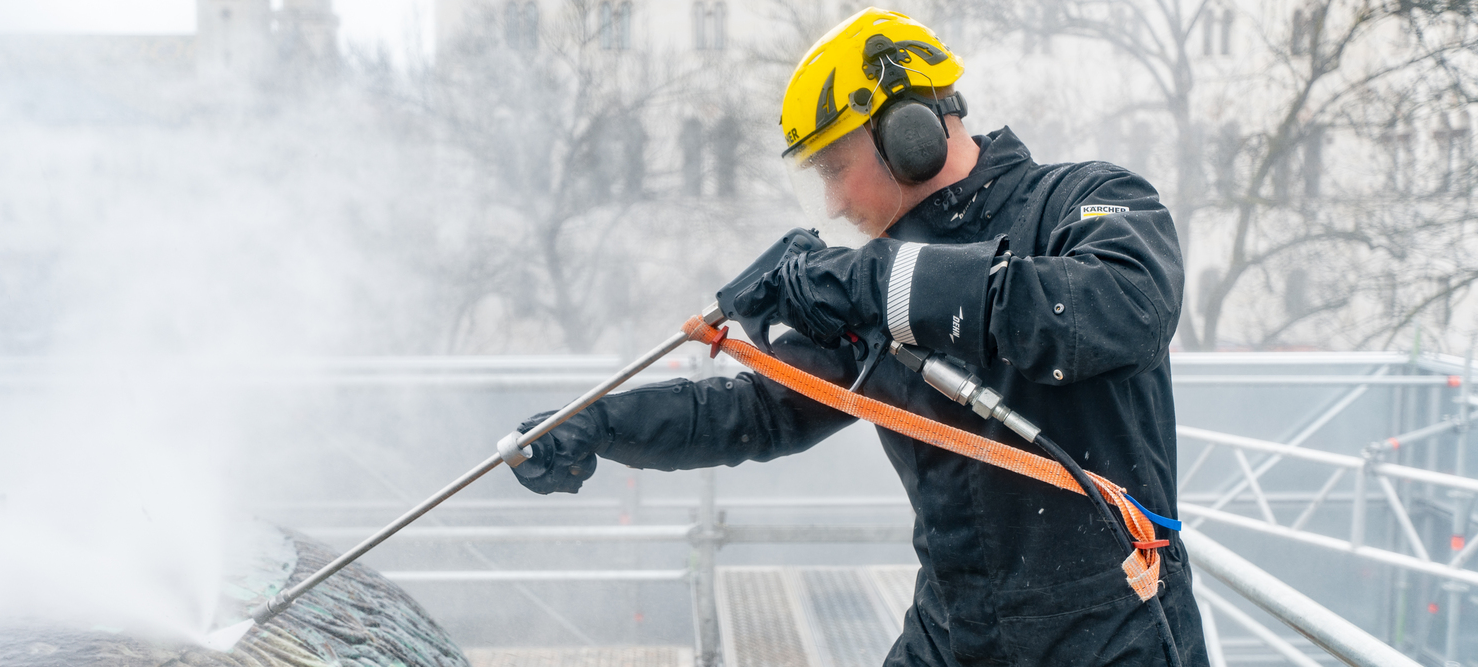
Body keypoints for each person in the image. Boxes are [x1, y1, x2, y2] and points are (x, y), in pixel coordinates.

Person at [508, 8, 1208, 666]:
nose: (835, 205)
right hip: (955, 632)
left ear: (910, 134)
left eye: (836, 169)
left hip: (1113, 635)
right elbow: (757, 410)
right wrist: (594, 422)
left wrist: (865, 280)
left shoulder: (1085, 200)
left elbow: (1121, 310)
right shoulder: (880, 284)